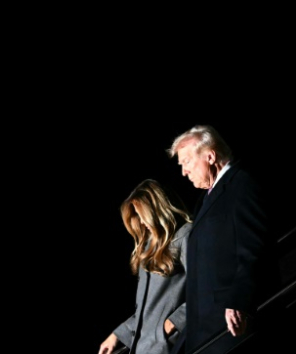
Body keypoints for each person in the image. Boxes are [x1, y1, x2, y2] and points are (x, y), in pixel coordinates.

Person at [166, 125, 278, 354]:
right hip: (202, 327)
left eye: (186, 162)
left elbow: (253, 248)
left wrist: (239, 301)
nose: (184, 172)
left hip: (229, 324)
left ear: (210, 156)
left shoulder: (241, 185)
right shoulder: (205, 199)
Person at [99, 179, 194, 354]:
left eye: (142, 214)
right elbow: (148, 311)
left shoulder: (185, 236)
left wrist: (172, 324)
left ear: (157, 209)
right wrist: (117, 335)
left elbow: (206, 290)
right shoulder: (148, 248)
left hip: (168, 348)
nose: (141, 222)